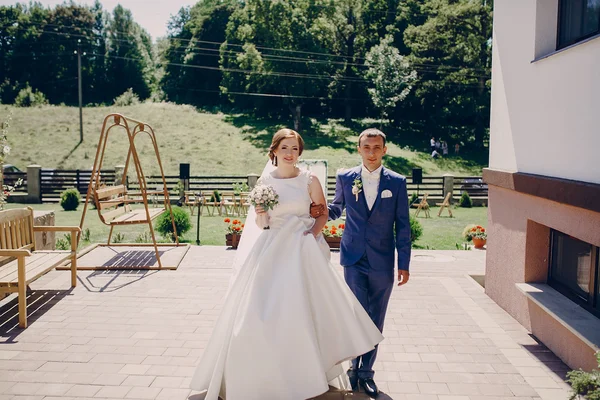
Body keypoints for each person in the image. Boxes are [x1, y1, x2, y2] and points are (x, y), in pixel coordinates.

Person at [190, 128, 383, 400]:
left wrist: (312, 235)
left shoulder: (309, 179)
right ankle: (257, 374)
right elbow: (262, 224)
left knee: (302, 310)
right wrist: (260, 214)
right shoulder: (265, 182)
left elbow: (323, 212)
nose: (290, 153)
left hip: (302, 249)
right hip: (271, 249)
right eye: (285, 148)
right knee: (257, 312)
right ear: (275, 151)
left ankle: (306, 373)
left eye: (295, 148)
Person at [311, 128, 411, 398]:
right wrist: (314, 208)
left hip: (382, 260)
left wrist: (404, 263)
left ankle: (364, 373)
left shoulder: (397, 182)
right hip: (353, 257)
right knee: (357, 314)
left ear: (385, 150)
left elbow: (403, 226)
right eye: (366, 147)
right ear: (359, 149)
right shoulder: (345, 177)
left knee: (376, 315)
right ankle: (356, 368)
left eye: (377, 147)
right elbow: (336, 207)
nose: (371, 152)